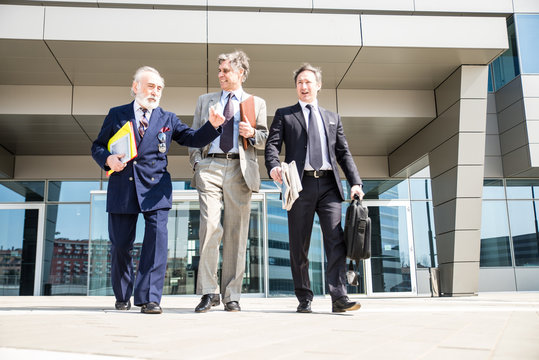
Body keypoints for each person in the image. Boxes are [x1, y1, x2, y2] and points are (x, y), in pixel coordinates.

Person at [91, 66, 224, 314]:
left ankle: (150, 299)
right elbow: (97, 146)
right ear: (135, 87)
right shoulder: (116, 114)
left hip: (155, 189)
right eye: (150, 86)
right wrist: (108, 160)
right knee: (120, 245)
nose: (155, 92)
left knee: (156, 246)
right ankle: (122, 294)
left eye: (159, 88)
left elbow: (192, 138)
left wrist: (212, 126)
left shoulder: (167, 118)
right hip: (123, 186)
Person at [265, 63, 364, 313]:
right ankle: (304, 296)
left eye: (308, 82)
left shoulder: (332, 117)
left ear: (318, 85)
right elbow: (272, 146)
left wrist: (356, 182)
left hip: (330, 185)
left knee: (336, 241)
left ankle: (339, 297)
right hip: (300, 186)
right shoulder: (285, 114)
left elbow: (343, 152)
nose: (304, 86)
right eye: (300, 82)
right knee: (300, 244)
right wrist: (273, 166)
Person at [189, 50, 268, 312]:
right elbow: (194, 134)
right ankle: (209, 292)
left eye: (226, 71)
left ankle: (232, 294)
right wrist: (197, 163)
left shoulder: (256, 103)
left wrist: (253, 133)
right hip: (210, 164)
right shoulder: (205, 100)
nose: (220, 75)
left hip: (240, 167)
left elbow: (265, 138)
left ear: (241, 73)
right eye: (220, 70)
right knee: (210, 226)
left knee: (237, 232)